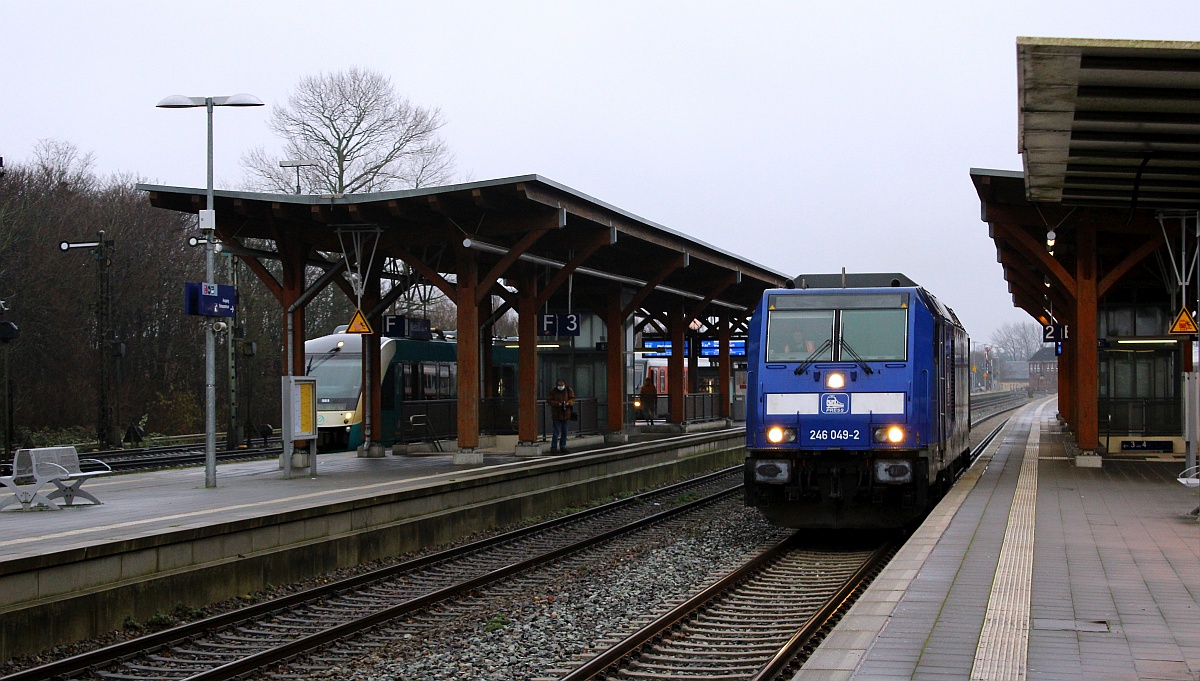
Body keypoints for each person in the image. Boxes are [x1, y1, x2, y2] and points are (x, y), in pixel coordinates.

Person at [546, 379, 575, 453]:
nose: (561, 387)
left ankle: (563, 446)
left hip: (565, 414)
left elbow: (572, 398)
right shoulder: (553, 391)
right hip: (557, 414)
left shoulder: (568, 390)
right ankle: (554, 447)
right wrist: (557, 404)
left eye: (562, 385)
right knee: (556, 432)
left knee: (564, 432)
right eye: (559, 385)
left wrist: (569, 403)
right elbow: (549, 400)